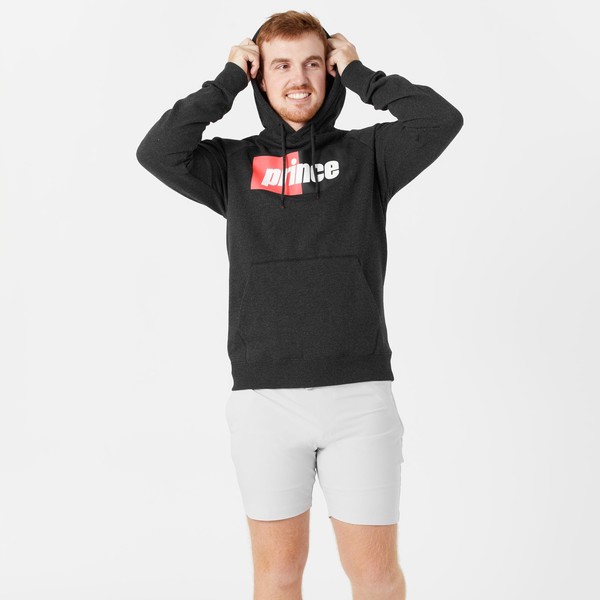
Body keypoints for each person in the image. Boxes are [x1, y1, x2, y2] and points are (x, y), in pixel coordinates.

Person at [136, 10, 463, 600]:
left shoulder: (370, 155)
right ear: (261, 76)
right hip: (264, 401)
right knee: (278, 576)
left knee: (376, 576)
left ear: (329, 70)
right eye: (281, 65)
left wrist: (360, 73)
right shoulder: (232, 165)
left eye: (313, 63)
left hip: (359, 397)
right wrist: (226, 81)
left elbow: (439, 119)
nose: (299, 78)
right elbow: (158, 151)